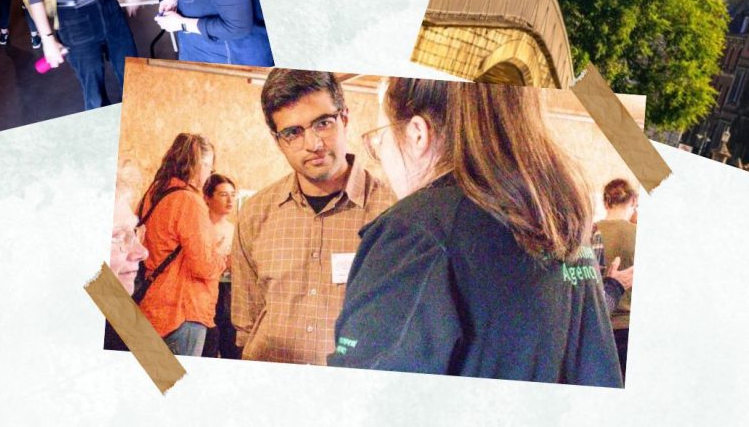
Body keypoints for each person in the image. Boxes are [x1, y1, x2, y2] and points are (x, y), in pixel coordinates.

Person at [327, 78, 623, 386]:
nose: (381, 157)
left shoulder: (414, 231)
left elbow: (362, 397)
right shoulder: (561, 221)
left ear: (417, 133)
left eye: (380, 140)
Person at [231, 70, 394, 365]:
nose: (313, 143)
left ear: (344, 118)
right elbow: (247, 321)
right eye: (293, 132)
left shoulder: (392, 211)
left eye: (323, 123)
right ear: (278, 140)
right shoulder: (255, 213)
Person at [137, 133, 226, 356]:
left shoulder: (153, 194)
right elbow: (203, 266)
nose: (208, 175)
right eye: (210, 167)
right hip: (182, 311)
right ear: (201, 164)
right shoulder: (188, 201)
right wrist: (223, 259)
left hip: (151, 306)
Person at [597, 178, 638, 377]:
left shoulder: (588, 231)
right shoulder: (641, 234)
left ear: (606, 202)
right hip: (626, 326)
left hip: (596, 323)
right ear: (633, 202)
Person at [202, 173, 241, 360]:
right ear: (208, 197)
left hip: (229, 293)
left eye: (233, 195)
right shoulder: (200, 227)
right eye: (223, 195)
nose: (230, 200)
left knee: (231, 348)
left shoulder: (235, 229)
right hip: (204, 292)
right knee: (207, 348)